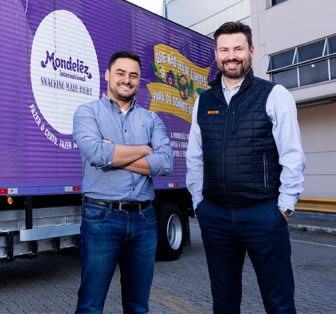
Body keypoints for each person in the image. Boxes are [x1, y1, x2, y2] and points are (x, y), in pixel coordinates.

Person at [186, 21, 305, 314]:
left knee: (278, 302)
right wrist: (199, 203)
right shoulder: (203, 100)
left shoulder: (275, 94)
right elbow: (194, 157)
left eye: (238, 48)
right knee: (223, 302)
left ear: (251, 51)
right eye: (224, 50)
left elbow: (292, 156)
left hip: (263, 215)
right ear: (216, 54)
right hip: (215, 216)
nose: (231, 56)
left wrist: (284, 208)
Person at [73, 50, 173, 314]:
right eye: (120, 73)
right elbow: (96, 153)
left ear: (139, 80)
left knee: (138, 307)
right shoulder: (87, 112)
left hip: (144, 220)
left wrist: (113, 155)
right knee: (90, 306)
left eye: (133, 75)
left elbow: (165, 164)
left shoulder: (152, 119)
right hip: (101, 218)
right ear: (107, 75)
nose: (127, 80)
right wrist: (145, 149)